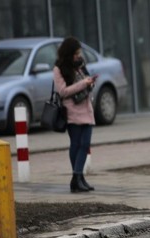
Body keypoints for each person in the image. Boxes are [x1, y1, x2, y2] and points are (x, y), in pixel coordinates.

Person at [53, 36, 97, 192]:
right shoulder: (59, 69)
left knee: (85, 144)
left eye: (79, 53)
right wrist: (82, 84)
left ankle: (77, 178)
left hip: (86, 109)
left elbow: (86, 81)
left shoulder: (80, 65)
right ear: (69, 53)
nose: (79, 55)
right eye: (76, 53)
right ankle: (78, 179)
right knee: (76, 144)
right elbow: (63, 92)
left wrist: (90, 82)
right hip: (72, 111)